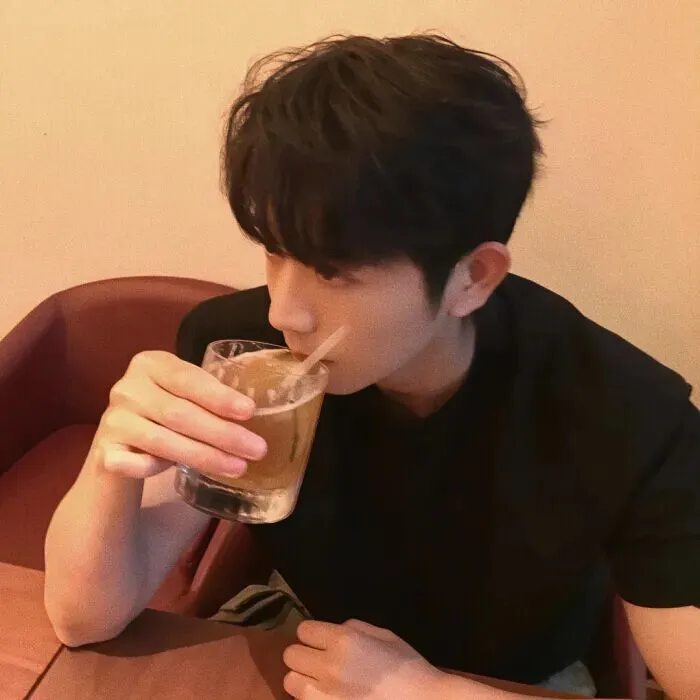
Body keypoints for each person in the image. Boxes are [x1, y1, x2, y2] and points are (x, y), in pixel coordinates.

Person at [44, 34, 700, 700]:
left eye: (334, 272)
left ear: (473, 276)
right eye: (274, 249)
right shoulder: (240, 350)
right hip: (306, 639)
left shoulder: (629, 417)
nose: (283, 311)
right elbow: (83, 619)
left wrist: (423, 692)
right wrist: (109, 464)